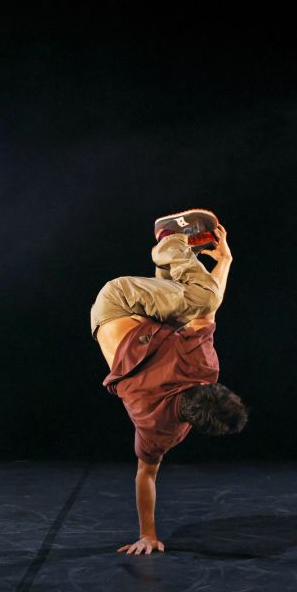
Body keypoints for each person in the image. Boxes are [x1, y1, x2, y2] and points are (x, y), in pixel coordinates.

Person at [91, 209, 248, 555]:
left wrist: (225, 261)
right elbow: (145, 475)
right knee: (187, 305)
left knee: (202, 301)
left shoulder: (202, 369)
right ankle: (177, 254)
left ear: (209, 387)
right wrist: (147, 534)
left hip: (120, 300)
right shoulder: (161, 431)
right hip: (130, 320)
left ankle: (169, 239)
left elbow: (209, 305)